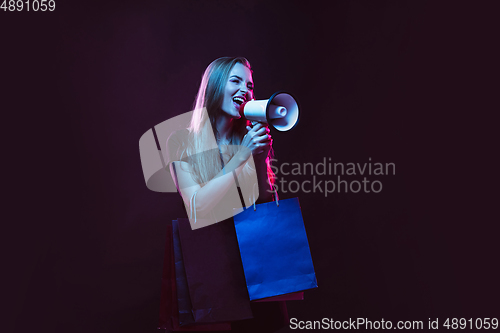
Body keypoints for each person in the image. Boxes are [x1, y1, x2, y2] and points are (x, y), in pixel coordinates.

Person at [165, 57, 288, 332]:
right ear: (214, 85)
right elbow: (196, 207)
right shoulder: (181, 141)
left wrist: (259, 158)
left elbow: (264, 205)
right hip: (213, 273)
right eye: (235, 80)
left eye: (250, 85)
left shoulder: (245, 138)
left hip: (257, 270)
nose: (245, 89)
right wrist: (241, 156)